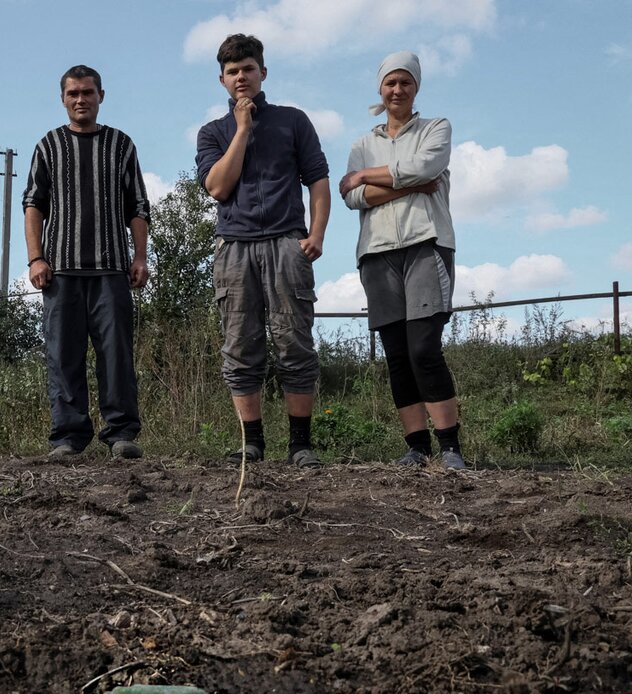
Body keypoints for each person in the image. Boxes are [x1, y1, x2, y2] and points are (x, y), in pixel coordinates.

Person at [195, 33, 330, 469]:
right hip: (234, 247)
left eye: (248, 69)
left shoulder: (293, 120)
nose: (241, 77)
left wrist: (317, 234)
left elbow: (318, 180)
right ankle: (252, 443)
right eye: (232, 72)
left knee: (294, 342)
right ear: (222, 79)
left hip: (287, 242)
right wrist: (242, 129)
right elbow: (218, 187)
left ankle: (300, 444)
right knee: (239, 345)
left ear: (262, 72)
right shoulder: (213, 132)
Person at [339, 52, 466, 470]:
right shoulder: (362, 145)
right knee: (397, 353)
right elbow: (352, 196)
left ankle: (450, 448)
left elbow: (427, 164)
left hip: (426, 244)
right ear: (381, 88)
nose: (398, 90)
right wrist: (405, 185)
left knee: (424, 348)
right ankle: (417, 446)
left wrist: (367, 176)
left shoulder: (436, 128)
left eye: (405, 83)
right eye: (391, 83)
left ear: (416, 88)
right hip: (376, 253)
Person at [23, 65, 151, 460]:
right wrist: (35, 258)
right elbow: (33, 205)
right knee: (63, 355)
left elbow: (138, 206)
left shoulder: (121, 145)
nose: (81, 100)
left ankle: (121, 434)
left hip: (111, 269)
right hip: (60, 271)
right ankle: (68, 437)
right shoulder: (49, 145)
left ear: (101, 96)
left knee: (116, 355)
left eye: (88, 93)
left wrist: (140, 256)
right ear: (63, 99)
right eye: (73, 93)